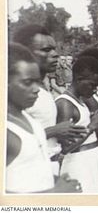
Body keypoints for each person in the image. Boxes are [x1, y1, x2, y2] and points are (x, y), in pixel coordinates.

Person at [6, 43, 81, 193]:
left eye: (37, 82)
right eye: (27, 82)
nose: (36, 90)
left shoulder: (29, 120)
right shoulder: (7, 131)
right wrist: (54, 193)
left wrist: (55, 181)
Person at [13, 24, 87, 175]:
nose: (55, 54)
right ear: (25, 53)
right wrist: (54, 131)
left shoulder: (43, 90)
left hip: (49, 166)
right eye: (46, 50)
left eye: (54, 49)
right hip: (28, 170)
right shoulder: (16, 92)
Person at [55, 56, 98, 193]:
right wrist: (92, 126)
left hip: (92, 160)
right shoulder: (65, 104)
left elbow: (93, 133)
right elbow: (65, 148)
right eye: (92, 85)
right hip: (77, 164)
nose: (95, 90)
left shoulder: (81, 101)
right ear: (79, 79)